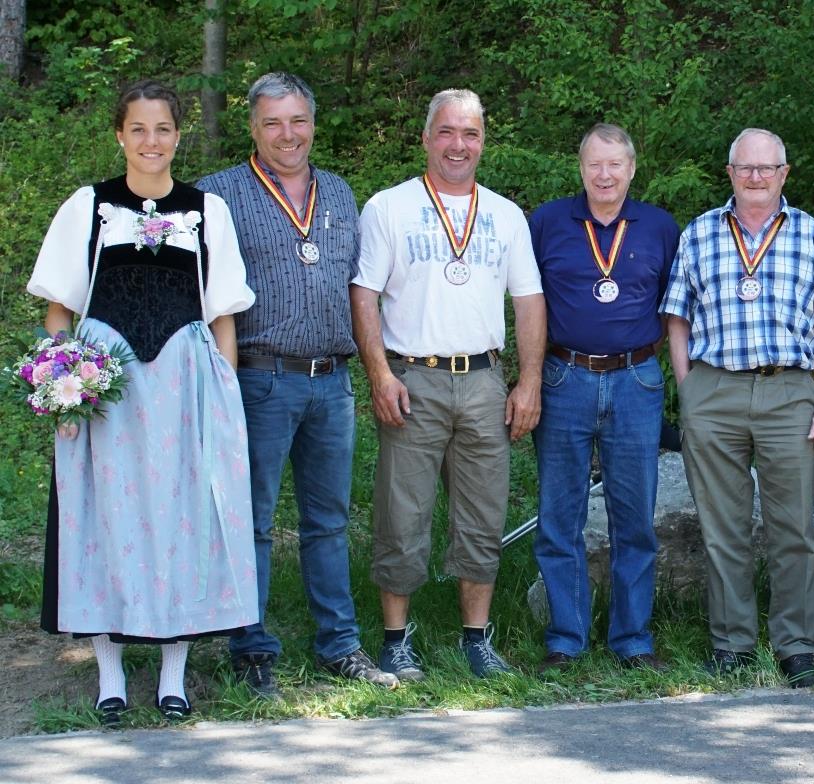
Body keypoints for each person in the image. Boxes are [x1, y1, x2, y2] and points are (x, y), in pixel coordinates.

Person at [27, 80, 259, 725]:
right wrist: (63, 384)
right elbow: (59, 310)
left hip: (184, 387)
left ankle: (172, 677)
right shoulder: (89, 207)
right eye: (138, 129)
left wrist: (225, 396)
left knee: (185, 516)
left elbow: (222, 317)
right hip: (109, 392)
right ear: (119, 135)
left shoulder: (206, 211)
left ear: (178, 136)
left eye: (162, 129)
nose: (150, 141)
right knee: (106, 518)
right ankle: (110, 677)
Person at [198, 72, 396, 694]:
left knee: (329, 522)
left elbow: (360, 289)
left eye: (298, 120)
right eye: (273, 122)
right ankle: (251, 648)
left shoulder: (337, 191)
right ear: (253, 128)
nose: (288, 134)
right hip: (258, 380)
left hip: (331, 384)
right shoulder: (218, 195)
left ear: (313, 122)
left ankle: (339, 644)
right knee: (252, 521)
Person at [351, 88, 546, 679]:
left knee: (483, 513)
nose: (458, 145)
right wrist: (380, 374)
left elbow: (529, 301)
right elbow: (364, 294)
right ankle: (395, 639)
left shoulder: (506, 215)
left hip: (484, 380)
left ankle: (476, 639)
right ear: (426, 138)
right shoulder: (389, 207)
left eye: (470, 134)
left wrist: (529, 382)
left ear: (483, 142)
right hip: (414, 377)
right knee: (402, 512)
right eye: (447, 132)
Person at [661, 128, 814, 686]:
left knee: (792, 526)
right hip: (714, 391)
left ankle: (797, 645)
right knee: (722, 527)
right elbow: (676, 317)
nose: (755, 177)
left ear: (783, 174)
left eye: (766, 168)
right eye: (744, 167)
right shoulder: (700, 232)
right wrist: (690, 392)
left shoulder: (811, 235)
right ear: (729, 173)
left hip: (789, 392)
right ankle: (733, 644)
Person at [528, 123, 679, 672]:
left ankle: (633, 639)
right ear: (581, 167)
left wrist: (635, 355)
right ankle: (566, 639)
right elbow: (528, 302)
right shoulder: (547, 222)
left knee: (634, 517)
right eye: (595, 163)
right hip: (564, 377)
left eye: (615, 164)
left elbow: (672, 308)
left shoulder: (660, 227)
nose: (605, 174)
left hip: (636, 380)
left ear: (632, 169)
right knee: (559, 515)